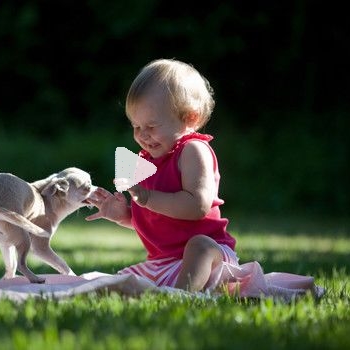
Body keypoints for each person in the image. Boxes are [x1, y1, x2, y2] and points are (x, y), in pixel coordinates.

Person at [86, 58, 238, 292]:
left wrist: (147, 198)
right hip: (165, 263)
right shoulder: (145, 160)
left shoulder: (192, 150)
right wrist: (124, 215)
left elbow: (197, 206)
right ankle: (176, 290)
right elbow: (157, 220)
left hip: (211, 260)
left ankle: (182, 296)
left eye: (152, 126)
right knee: (114, 285)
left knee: (200, 246)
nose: (142, 136)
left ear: (190, 118)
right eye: (136, 127)